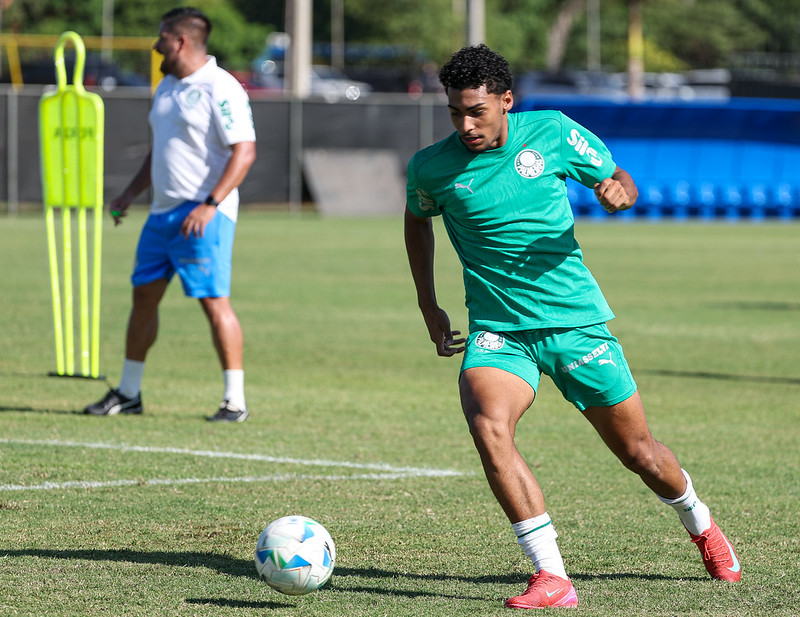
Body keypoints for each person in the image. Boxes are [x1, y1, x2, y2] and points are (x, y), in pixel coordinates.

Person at [404, 44, 740, 610]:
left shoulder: (554, 132)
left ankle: (700, 522)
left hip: (576, 325)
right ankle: (552, 576)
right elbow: (417, 221)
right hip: (499, 330)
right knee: (489, 425)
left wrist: (618, 194)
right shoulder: (431, 166)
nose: (466, 125)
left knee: (640, 455)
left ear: (506, 101)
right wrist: (428, 305)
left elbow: (618, 179)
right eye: (455, 113)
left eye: (478, 112)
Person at [84, 7, 256, 422]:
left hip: (203, 215)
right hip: (161, 215)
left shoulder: (221, 87)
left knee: (214, 302)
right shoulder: (166, 87)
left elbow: (245, 151)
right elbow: (160, 151)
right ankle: (128, 392)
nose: (155, 44)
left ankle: (235, 401)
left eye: (161, 37)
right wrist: (128, 193)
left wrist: (209, 204)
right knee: (143, 297)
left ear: (179, 41)